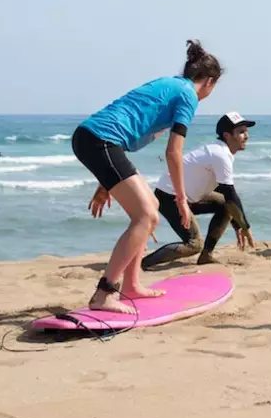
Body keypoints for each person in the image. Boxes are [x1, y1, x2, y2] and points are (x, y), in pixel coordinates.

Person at [71, 40, 222, 314]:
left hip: (96, 141)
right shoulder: (188, 96)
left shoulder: (171, 85)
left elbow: (122, 125)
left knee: (150, 208)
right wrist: (181, 199)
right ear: (210, 82)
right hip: (99, 142)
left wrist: (106, 183)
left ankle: (132, 284)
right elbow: (174, 152)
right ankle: (105, 294)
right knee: (146, 217)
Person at [141, 112, 256, 270]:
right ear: (227, 135)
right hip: (170, 197)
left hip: (185, 196)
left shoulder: (220, 152)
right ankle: (142, 264)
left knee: (224, 205)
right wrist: (245, 227)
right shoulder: (220, 155)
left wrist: (238, 224)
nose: (247, 136)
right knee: (193, 244)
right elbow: (231, 195)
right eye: (241, 132)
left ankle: (206, 256)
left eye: (246, 131)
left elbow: (226, 195)